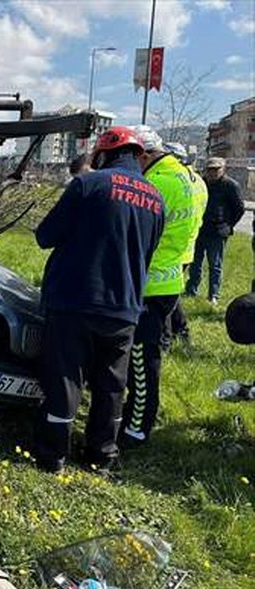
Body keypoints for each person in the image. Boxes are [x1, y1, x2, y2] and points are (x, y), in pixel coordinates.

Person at [33, 126, 164, 472]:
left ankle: (53, 456)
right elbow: (147, 252)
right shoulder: (155, 198)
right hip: (125, 307)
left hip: (75, 300)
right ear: (138, 156)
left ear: (103, 155)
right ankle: (101, 456)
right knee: (111, 387)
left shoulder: (89, 185)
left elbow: (45, 236)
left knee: (65, 379)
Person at [121, 126, 208, 445]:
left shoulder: (155, 184)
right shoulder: (193, 179)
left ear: (144, 155)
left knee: (142, 363)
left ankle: (136, 428)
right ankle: (135, 419)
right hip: (172, 277)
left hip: (150, 283)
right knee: (147, 353)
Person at [185, 157, 245, 304]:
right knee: (195, 262)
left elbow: (239, 208)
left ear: (223, 169)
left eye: (216, 169)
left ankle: (213, 295)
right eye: (210, 169)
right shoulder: (200, 182)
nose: (212, 173)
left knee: (215, 264)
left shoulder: (230, 185)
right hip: (199, 229)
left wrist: (229, 225)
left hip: (218, 232)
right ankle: (191, 289)